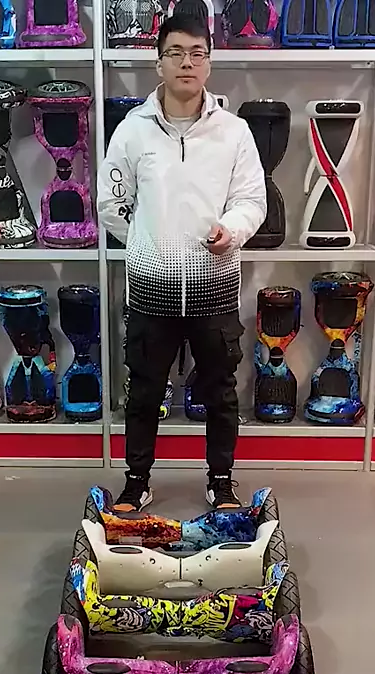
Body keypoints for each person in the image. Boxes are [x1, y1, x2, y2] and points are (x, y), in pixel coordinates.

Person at [98, 13, 267, 512]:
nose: (186, 63)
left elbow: (251, 200)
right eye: (175, 53)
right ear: (159, 63)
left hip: (216, 287)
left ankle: (221, 482)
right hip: (150, 289)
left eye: (197, 53)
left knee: (220, 390)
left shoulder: (234, 133)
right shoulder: (132, 132)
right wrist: (149, 243)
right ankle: (136, 482)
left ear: (209, 63)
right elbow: (112, 202)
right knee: (144, 391)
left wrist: (230, 231)